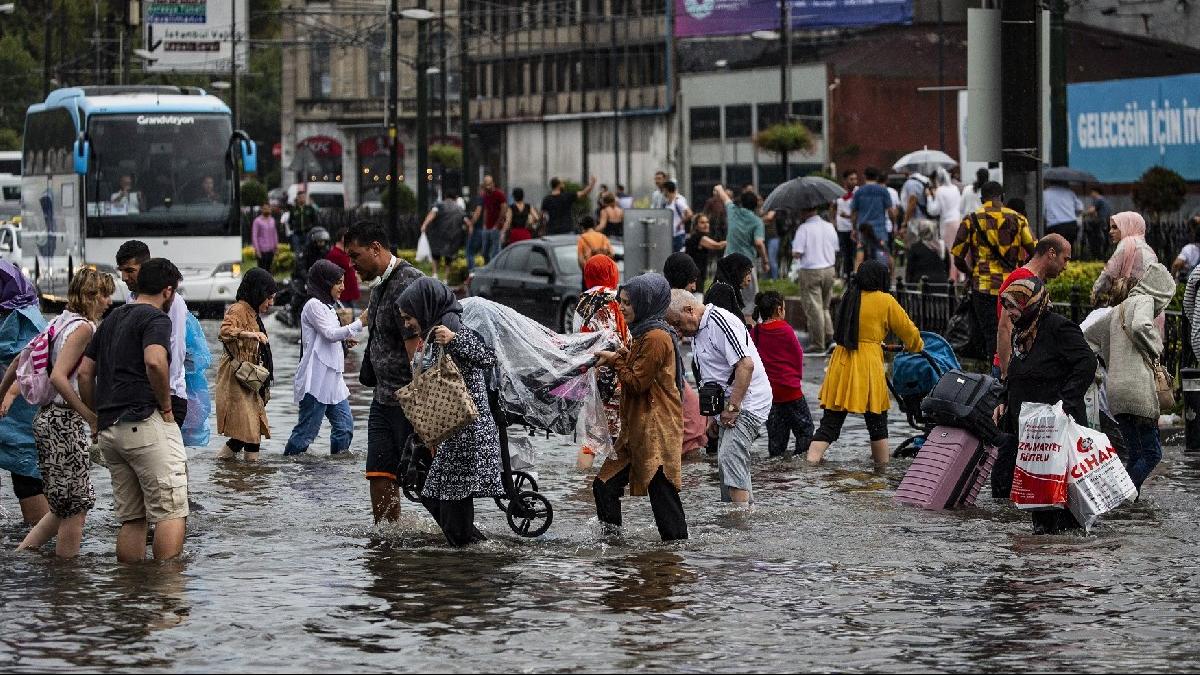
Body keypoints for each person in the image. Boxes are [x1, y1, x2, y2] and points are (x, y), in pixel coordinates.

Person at [78, 258, 188, 562]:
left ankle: (130, 594)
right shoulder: (155, 319)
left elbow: (86, 374)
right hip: (144, 422)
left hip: (111, 430)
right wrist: (166, 406)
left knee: (133, 519)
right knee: (170, 512)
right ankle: (167, 593)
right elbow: (155, 361)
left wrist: (96, 416)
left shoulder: (112, 318)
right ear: (167, 291)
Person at [0, 269, 113, 557]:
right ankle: (66, 576)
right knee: (77, 505)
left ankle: (23, 554)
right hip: (64, 421)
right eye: (105, 294)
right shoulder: (85, 327)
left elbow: (18, 360)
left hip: (44, 419)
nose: (109, 301)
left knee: (63, 503)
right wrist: (90, 416)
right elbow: (59, 378)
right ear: (90, 296)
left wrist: (2, 395)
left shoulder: (59, 322)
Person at [396, 278, 504, 546]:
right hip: (453, 433)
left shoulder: (452, 327)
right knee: (437, 497)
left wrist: (455, 339)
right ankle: (471, 559)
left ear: (424, 307)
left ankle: (469, 568)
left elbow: (487, 357)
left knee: (450, 509)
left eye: (409, 317)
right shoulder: (432, 333)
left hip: (469, 432)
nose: (407, 323)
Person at [996, 277, 1097, 534]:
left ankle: (1064, 551)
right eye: (1007, 307)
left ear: (1031, 303)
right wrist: (1004, 399)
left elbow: (1086, 363)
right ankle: (1043, 547)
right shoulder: (1024, 332)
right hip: (1032, 431)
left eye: (1014, 306)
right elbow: (1017, 373)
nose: (1010, 313)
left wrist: (1065, 402)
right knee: (1039, 495)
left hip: (1058, 428)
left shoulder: (1058, 328)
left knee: (1063, 496)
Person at [592, 274, 687, 540]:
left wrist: (614, 361)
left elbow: (636, 382)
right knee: (604, 486)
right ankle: (613, 544)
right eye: (621, 301)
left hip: (656, 429)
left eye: (628, 303)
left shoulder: (656, 337)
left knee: (663, 495)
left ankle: (674, 555)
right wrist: (619, 356)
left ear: (646, 304)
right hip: (637, 430)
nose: (621, 308)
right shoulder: (643, 333)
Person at [344, 220, 425, 523]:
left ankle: (452, 542)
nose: (352, 265)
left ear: (375, 248)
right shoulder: (378, 285)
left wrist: (421, 411)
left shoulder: (408, 283)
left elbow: (417, 351)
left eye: (355, 256)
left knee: (423, 478)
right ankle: (388, 539)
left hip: (410, 401)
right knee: (378, 473)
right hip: (382, 398)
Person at [805, 260, 923, 466]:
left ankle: (810, 462)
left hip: (841, 362)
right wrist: (917, 347)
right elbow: (909, 332)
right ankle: (882, 469)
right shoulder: (885, 300)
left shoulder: (850, 296)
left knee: (831, 422)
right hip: (867, 364)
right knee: (877, 422)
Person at [667, 289, 772, 503]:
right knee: (729, 464)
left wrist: (732, 409)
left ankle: (740, 522)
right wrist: (714, 417)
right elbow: (713, 377)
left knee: (729, 458)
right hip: (727, 405)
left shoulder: (719, 321)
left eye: (677, 323)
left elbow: (746, 365)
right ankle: (741, 516)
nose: (677, 331)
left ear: (689, 310)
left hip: (747, 402)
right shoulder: (697, 331)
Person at [1084, 263, 1173, 494]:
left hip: (1116, 393)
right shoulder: (1144, 300)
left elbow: (1085, 338)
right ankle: (1120, 495)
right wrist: (1156, 347)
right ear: (1160, 292)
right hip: (1138, 391)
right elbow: (1139, 326)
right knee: (1153, 454)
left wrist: (1094, 370)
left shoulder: (1116, 310)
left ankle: (1129, 501)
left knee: (1135, 454)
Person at [284, 260, 366, 457]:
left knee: (344, 428)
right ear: (325, 282)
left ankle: (335, 471)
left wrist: (344, 341)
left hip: (333, 378)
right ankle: (289, 467)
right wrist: (360, 323)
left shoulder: (329, 307)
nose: (342, 287)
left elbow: (329, 336)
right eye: (338, 282)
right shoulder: (313, 305)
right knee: (306, 434)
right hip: (316, 378)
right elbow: (329, 333)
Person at [950, 181, 1036, 363]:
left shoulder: (971, 219)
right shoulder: (1018, 219)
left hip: (983, 288)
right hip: (1012, 287)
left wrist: (971, 272)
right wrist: (1020, 269)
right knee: (1014, 331)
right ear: (1002, 197)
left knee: (992, 335)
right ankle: (1014, 372)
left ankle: (997, 374)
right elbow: (1034, 250)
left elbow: (957, 256)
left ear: (982, 199)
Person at [117, 241, 191, 429]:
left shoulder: (172, 301)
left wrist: (166, 399)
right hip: (141, 395)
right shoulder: (131, 299)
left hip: (168, 394)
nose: (124, 277)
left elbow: (175, 349)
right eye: (121, 271)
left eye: (130, 270)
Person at [0, 262, 49, 527]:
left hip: (21, 422)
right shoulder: (31, 317)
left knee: (28, 477)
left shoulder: (22, 320)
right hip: (23, 423)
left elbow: (28, 365)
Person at [573, 256, 630, 469]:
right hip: (617, 373)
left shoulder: (581, 304)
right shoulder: (616, 300)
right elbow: (621, 337)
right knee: (621, 436)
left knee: (593, 437)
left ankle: (582, 484)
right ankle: (613, 486)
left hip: (591, 375)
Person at [215, 268, 276, 461]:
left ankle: (229, 471)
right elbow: (225, 331)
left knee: (245, 432)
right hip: (237, 378)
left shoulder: (253, 312)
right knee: (250, 430)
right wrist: (251, 334)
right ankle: (252, 479)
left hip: (249, 379)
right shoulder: (238, 309)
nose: (270, 303)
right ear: (258, 292)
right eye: (268, 297)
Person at [995, 234, 1072, 377]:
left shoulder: (1031, 279)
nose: (1065, 267)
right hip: (1014, 367)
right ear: (1051, 253)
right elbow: (1005, 327)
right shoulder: (1023, 278)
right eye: (1065, 259)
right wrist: (1006, 373)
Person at [750, 291, 813, 458]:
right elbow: (797, 355)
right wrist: (796, 379)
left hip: (770, 395)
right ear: (779, 310)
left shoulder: (755, 332)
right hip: (791, 393)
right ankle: (801, 463)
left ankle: (776, 473)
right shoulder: (786, 329)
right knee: (805, 430)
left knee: (776, 439)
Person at [790, 205, 839, 352]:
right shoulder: (829, 226)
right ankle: (830, 338)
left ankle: (818, 343)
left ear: (805, 211)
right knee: (824, 306)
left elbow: (797, 253)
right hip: (829, 270)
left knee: (814, 308)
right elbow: (836, 248)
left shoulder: (803, 229)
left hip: (811, 271)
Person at [716, 184, 768, 312]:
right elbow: (759, 243)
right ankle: (748, 327)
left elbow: (723, 195)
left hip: (728, 260)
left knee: (727, 293)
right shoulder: (757, 221)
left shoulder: (733, 210)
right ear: (756, 205)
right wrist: (765, 261)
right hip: (745, 263)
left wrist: (719, 188)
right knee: (750, 299)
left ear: (741, 202)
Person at [1093, 211, 1158, 307]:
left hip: (1130, 303)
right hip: (1147, 304)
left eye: (1115, 227)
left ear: (1127, 226)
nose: (1110, 231)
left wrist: (1096, 291)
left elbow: (1109, 272)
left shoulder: (1126, 244)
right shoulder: (1148, 249)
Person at [850, 167, 894, 268]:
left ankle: (857, 275)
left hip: (863, 227)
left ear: (864, 176)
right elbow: (890, 211)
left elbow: (854, 213)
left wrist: (853, 228)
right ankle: (888, 277)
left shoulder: (859, 191)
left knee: (860, 251)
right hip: (879, 228)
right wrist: (894, 223)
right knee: (884, 253)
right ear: (877, 177)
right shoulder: (883, 191)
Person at [420, 191, 468, 282]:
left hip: (438, 235)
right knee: (448, 258)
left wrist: (424, 225)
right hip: (453, 237)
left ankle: (434, 275)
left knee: (435, 255)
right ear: (455, 198)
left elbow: (432, 215)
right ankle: (445, 279)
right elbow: (467, 222)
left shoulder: (439, 205)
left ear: (445, 197)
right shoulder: (459, 208)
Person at [930, 169, 963, 282]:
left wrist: (930, 197)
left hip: (947, 223)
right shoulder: (954, 188)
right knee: (959, 248)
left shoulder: (939, 190)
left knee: (950, 251)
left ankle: (953, 277)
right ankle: (961, 274)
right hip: (958, 220)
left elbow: (934, 210)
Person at [705, 253, 754, 325]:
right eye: (746, 273)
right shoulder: (722, 291)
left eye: (750, 273)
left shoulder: (731, 289)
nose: (749, 279)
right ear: (735, 271)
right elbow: (724, 325)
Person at [684, 213, 726, 289]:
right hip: (695, 277)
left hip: (694, 275)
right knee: (697, 298)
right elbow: (718, 245)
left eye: (707, 222)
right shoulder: (699, 238)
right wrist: (733, 240)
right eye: (702, 222)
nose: (706, 225)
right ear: (696, 226)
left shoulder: (694, 237)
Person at [904, 219, 950, 285]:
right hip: (941, 284)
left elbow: (909, 270)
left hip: (921, 286)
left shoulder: (915, 248)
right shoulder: (942, 247)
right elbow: (947, 267)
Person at [325, 228, 362, 309]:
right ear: (342, 238)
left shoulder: (345, 252)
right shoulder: (334, 254)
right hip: (342, 294)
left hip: (349, 292)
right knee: (345, 318)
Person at [832, 169, 859, 278]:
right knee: (845, 254)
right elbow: (833, 208)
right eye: (851, 179)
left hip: (854, 229)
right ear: (845, 180)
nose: (854, 181)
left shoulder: (858, 192)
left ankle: (856, 275)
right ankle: (846, 275)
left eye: (856, 179)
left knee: (855, 254)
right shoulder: (838, 193)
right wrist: (833, 222)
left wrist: (848, 216)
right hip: (842, 228)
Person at [479, 175, 507, 263]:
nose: (488, 187)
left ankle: (495, 268)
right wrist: (484, 224)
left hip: (496, 227)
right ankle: (488, 266)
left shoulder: (499, 194)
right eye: (486, 185)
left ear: (493, 184)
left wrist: (497, 225)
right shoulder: (485, 195)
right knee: (484, 251)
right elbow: (486, 210)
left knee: (495, 250)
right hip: (487, 227)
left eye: (489, 184)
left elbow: (504, 209)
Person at [1083, 187, 1114, 260]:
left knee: (1097, 237)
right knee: (1105, 237)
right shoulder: (1104, 199)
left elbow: (1092, 211)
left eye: (1092, 192)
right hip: (1107, 220)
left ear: (1096, 192)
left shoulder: (1098, 200)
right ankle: (1104, 253)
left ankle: (1098, 253)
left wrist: (1083, 214)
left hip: (1101, 221)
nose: (1091, 195)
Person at [662, 181, 693, 253]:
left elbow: (690, 213)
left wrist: (680, 223)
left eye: (664, 190)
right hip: (670, 234)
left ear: (667, 190)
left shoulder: (678, 201)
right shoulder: (667, 203)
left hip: (678, 234)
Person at [252, 202, 278, 273]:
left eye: (268, 208)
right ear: (262, 209)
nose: (266, 210)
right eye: (265, 208)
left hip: (271, 250)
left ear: (270, 209)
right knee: (262, 271)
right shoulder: (257, 221)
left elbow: (274, 234)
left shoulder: (272, 220)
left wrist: (276, 246)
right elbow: (254, 236)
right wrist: (257, 250)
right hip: (262, 250)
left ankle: (269, 283)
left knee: (269, 269)